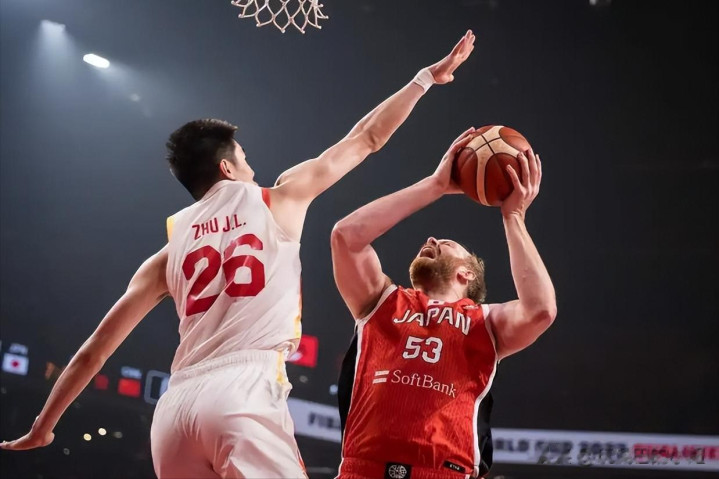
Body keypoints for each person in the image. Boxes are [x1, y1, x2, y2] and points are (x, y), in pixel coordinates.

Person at [0, 32, 476, 479]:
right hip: (242, 392)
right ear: (228, 167)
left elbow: (95, 350)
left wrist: (44, 425)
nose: (252, 166)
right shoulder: (278, 198)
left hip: (174, 410)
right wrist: (424, 79)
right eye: (245, 159)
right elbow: (366, 138)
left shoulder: (166, 253)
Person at [331, 129, 557, 479]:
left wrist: (513, 216)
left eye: (447, 243)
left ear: (467, 273)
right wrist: (434, 186)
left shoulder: (486, 322)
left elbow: (541, 309)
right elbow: (346, 237)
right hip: (362, 470)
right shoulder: (381, 301)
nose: (431, 238)